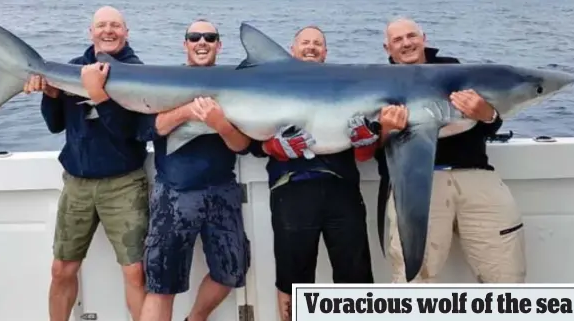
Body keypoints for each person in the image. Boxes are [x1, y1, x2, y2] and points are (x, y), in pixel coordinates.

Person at [247, 25, 407, 321]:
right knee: (292, 280)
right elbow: (253, 142)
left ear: (326, 53)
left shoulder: (346, 87)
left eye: (318, 44)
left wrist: (366, 139)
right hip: (290, 189)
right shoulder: (273, 86)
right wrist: (273, 146)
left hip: (342, 190)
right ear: (291, 49)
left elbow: (363, 154)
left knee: (356, 278)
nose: (311, 47)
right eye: (305, 43)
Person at [375, 17, 526, 283]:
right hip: (417, 184)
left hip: (476, 176)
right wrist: (387, 130)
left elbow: (488, 127)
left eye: (412, 36)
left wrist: (487, 114)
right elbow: (378, 152)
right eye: (398, 40)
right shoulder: (379, 85)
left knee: (506, 276)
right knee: (413, 283)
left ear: (424, 38)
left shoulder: (456, 71)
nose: (407, 43)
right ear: (387, 48)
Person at [23, 6, 150, 321]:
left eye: (116, 25)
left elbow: (133, 133)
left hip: (124, 184)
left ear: (127, 32)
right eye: (102, 25)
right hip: (77, 182)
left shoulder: (139, 73)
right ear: (90, 32)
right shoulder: (72, 71)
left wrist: (101, 97)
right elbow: (55, 126)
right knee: (61, 268)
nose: (109, 30)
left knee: (135, 271)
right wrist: (50, 94)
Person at [136, 20, 252, 321]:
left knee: (232, 272)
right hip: (174, 193)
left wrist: (219, 124)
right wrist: (187, 111)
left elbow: (241, 145)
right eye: (195, 37)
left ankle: (194, 319)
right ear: (184, 43)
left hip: (222, 191)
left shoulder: (236, 83)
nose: (203, 42)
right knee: (161, 283)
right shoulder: (166, 82)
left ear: (219, 45)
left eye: (210, 37)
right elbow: (150, 128)